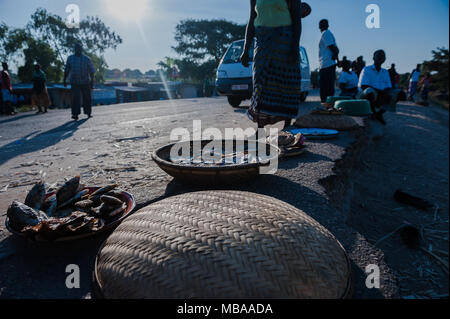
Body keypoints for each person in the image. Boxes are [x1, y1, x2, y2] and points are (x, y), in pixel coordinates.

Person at [241, 0, 303, 129]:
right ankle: (260, 126)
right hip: (262, 41)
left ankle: (287, 125)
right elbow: (252, 19)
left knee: (285, 83)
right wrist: (245, 49)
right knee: (260, 81)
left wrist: (294, 48)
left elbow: (297, 20)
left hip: (284, 41)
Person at [358, 50, 396, 125]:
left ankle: (379, 113)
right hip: (366, 95)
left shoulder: (385, 72)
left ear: (384, 59)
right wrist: (381, 92)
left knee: (396, 93)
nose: (380, 58)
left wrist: (386, 92)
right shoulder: (367, 69)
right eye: (378, 56)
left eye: (382, 56)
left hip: (380, 94)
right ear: (373, 58)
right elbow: (364, 86)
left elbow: (388, 86)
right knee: (369, 91)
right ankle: (372, 113)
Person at [64, 43, 96, 120]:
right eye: (76, 48)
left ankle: (88, 112)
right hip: (75, 82)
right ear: (74, 49)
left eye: (80, 48)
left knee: (87, 98)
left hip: (85, 82)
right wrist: (64, 80)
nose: (78, 50)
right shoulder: (70, 58)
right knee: (75, 98)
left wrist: (92, 82)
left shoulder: (87, 59)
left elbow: (91, 71)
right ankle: (75, 114)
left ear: (82, 49)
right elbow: (67, 70)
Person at [318, 19, 339, 103]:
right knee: (328, 87)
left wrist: (336, 56)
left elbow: (334, 48)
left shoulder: (325, 33)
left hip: (327, 64)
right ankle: (327, 105)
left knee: (325, 88)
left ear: (319, 26)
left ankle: (327, 105)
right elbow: (335, 49)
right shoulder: (328, 33)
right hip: (328, 64)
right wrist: (337, 58)